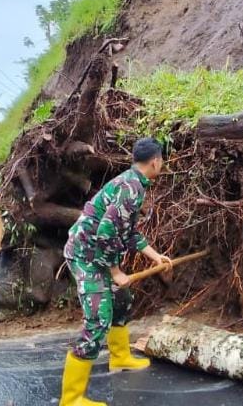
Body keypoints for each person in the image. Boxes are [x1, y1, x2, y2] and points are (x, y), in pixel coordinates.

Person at [59, 138, 172, 406]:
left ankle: (119, 357)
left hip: (97, 252)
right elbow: (107, 232)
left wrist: (156, 257)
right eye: (162, 161)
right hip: (85, 256)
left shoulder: (134, 183)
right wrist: (115, 270)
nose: (162, 165)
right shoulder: (131, 188)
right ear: (155, 161)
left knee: (121, 301)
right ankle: (71, 399)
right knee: (98, 321)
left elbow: (128, 232)